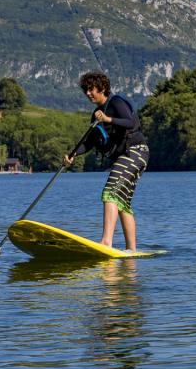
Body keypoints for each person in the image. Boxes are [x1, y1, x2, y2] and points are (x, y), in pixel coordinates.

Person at [63, 71, 149, 251]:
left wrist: (108, 118)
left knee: (110, 192)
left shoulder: (116, 102)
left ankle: (106, 242)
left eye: (90, 89)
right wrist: (72, 155)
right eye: (85, 90)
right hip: (127, 156)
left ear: (102, 88)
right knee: (122, 202)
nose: (87, 93)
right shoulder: (95, 114)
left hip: (135, 151)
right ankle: (131, 251)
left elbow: (130, 123)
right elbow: (90, 142)